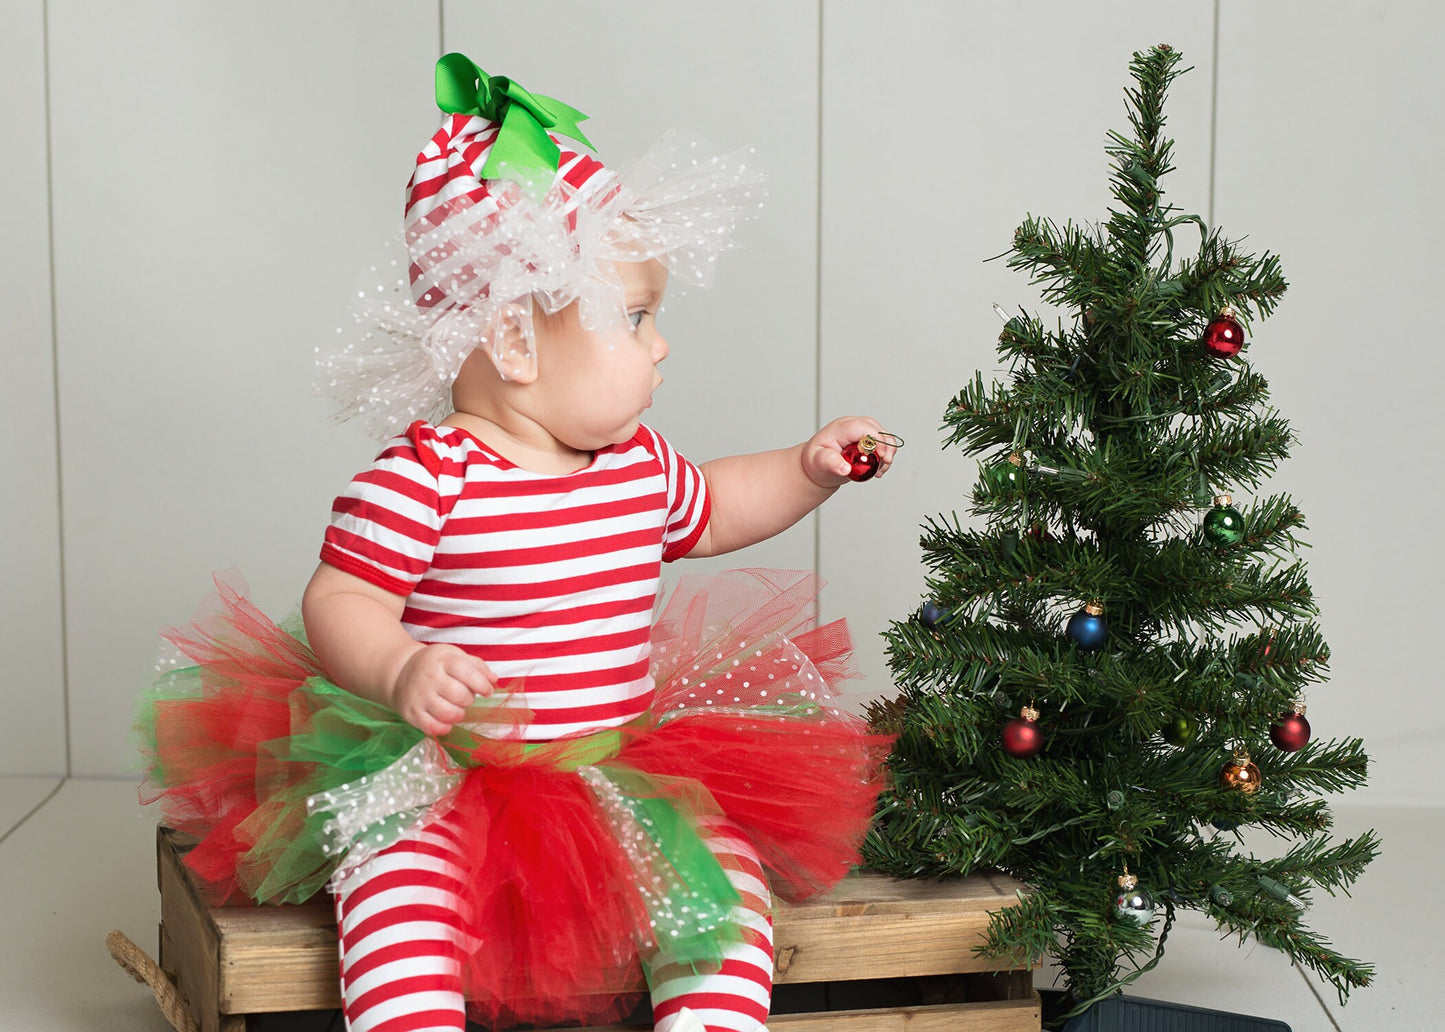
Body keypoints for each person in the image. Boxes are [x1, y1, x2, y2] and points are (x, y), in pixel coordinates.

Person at [141, 53, 897, 1032]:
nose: (659, 344)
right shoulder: (428, 475)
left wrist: (805, 466)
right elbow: (342, 598)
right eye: (633, 319)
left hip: (614, 759)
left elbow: (713, 506)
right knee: (398, 889)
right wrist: (402, 666)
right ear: (511, 342)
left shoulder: (633, 463)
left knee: (716, 890)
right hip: (446, 775)